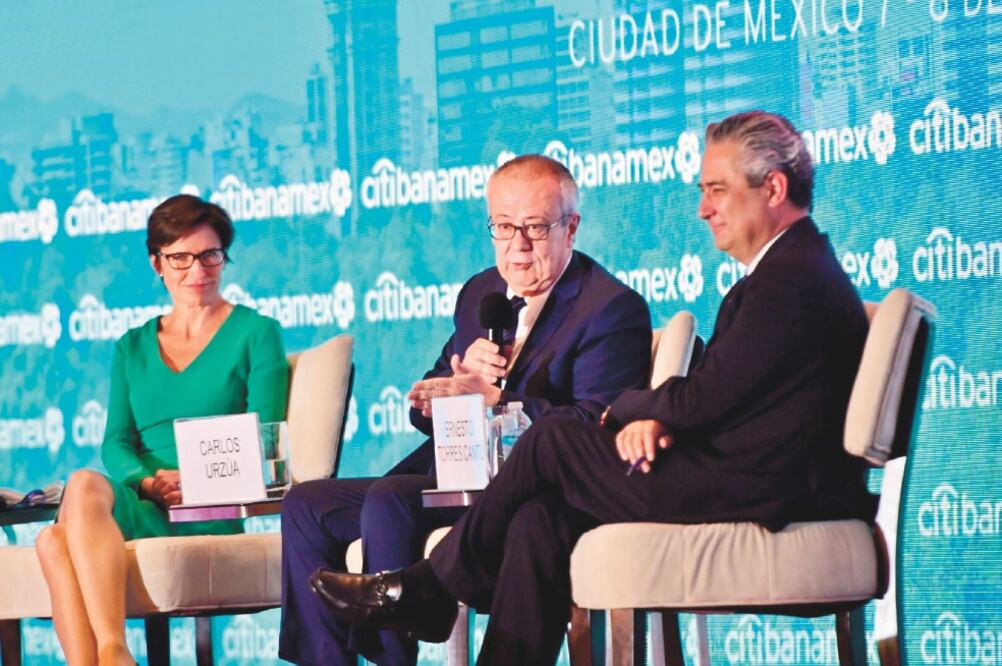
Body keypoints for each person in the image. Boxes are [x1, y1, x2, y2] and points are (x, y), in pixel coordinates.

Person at [309, 111, 877, 665]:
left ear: (773, 188)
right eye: (704, 191)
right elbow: (725, 394)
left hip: (765, 487)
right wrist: (659, 419)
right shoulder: (787, 270)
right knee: (540, 521)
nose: (704, 209)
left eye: (717, 190)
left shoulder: (790, 279)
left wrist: (632, 409)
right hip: (744, 471)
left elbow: (705, 400)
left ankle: (431, 586)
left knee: (552, 439)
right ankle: (448, 606)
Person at [279, 154, 651, 666]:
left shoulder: (608, 308)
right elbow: (434, 396)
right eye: (504, 226)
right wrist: (441, 394)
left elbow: (594, 426)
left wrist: (498, 401)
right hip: (449, 472)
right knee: (307, 507)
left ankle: (395, 656)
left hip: (522, 493)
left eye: (536, 228)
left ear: (571, 228)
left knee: (389, 499)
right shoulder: (482, 291)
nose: (518, 245)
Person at [34, 195, 289, 666]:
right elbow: (116, 442)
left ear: (224, 257)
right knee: (81, 489)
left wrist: (196, 479)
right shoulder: (131, 347)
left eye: (210, 255)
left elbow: (264, 437)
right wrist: (149, 483)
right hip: (145, 501)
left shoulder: (257, 333)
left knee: (54, 540)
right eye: (181, 258)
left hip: (209, 506)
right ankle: (113, 654)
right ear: (158, 263)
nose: (198, 270)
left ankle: (110, 652)